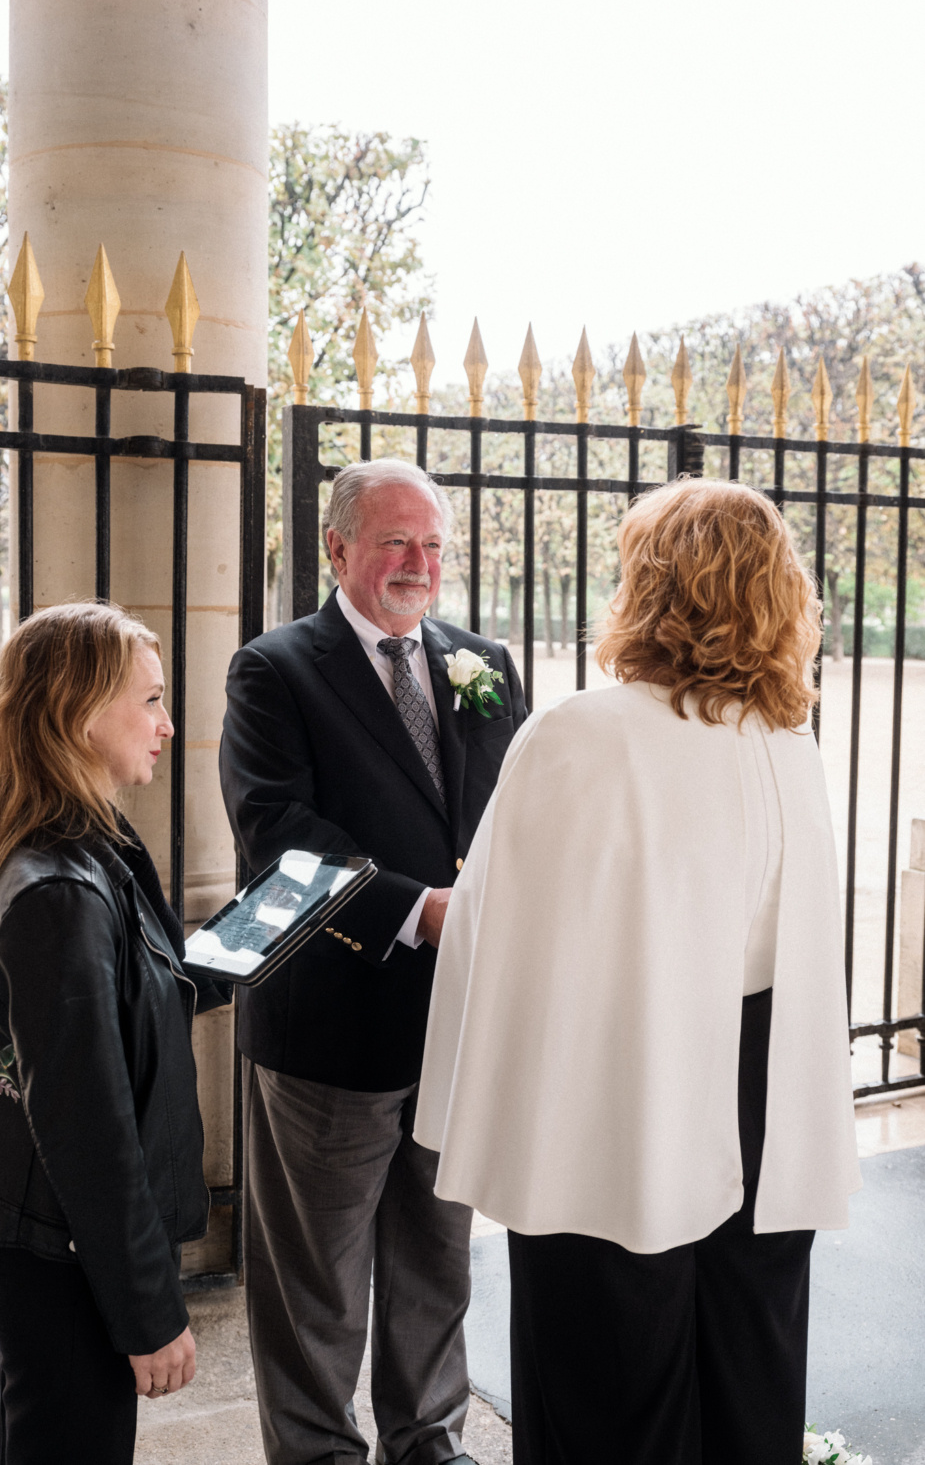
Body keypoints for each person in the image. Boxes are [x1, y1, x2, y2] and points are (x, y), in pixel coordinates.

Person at [415, 477, 861, 1465]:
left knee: (604, 1375)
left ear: (652, 586)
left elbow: (495, 930)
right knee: (750, 1360)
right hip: (762, 1089)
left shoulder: (583, 733)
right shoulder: (786, 742)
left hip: (614, 1087)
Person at [219, 460, 528, 1465]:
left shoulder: (482, 663)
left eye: (434, 545)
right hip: (330, 1026)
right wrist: (417, 912)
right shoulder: (275, 671)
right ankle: (316, 1453)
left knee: (439, 1255)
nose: (420, 565)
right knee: (316, 1279)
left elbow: (518, 822)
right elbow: (279, 837)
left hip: (458, 1024)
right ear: (338, 547)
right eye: (397, 542)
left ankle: (428, 1440)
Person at [0, 602, 229, 1465]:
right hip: (58, 1251)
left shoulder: (79, 842)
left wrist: (236, 957)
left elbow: (105, 1014)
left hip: (38, 1235)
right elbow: (88, 1130)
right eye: (150, 700)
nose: (166, 724)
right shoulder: (60, 889)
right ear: (82, 717)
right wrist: (148, 1312)